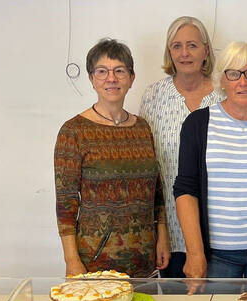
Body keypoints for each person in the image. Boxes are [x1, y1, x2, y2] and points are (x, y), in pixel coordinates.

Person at [173, 41, 247, 289]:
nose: (243, 82)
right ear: (222, 80)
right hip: (217, 256)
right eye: (233, 73)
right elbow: (186, 190)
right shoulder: (198, 124)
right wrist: (195, 254)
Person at [55, 38, 170, 277]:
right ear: (91, 79)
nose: (111, 78)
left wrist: (163, 238)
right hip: (95, 265)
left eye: (119, 71)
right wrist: (71, 260)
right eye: (102, 71)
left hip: (145, 261)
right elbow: (65, 205)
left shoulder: (142, 128)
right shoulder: (74, 131)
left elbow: (157, 193)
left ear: (131, 78)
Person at [139, 16, 224, 278]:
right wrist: (160, 231)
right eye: (177, 46)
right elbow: (150, 172)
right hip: (172, 232)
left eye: (192, 45)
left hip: (221, 232)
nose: (184, 53)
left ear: (206, 51)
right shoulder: (154, 97)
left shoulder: (225, 94)